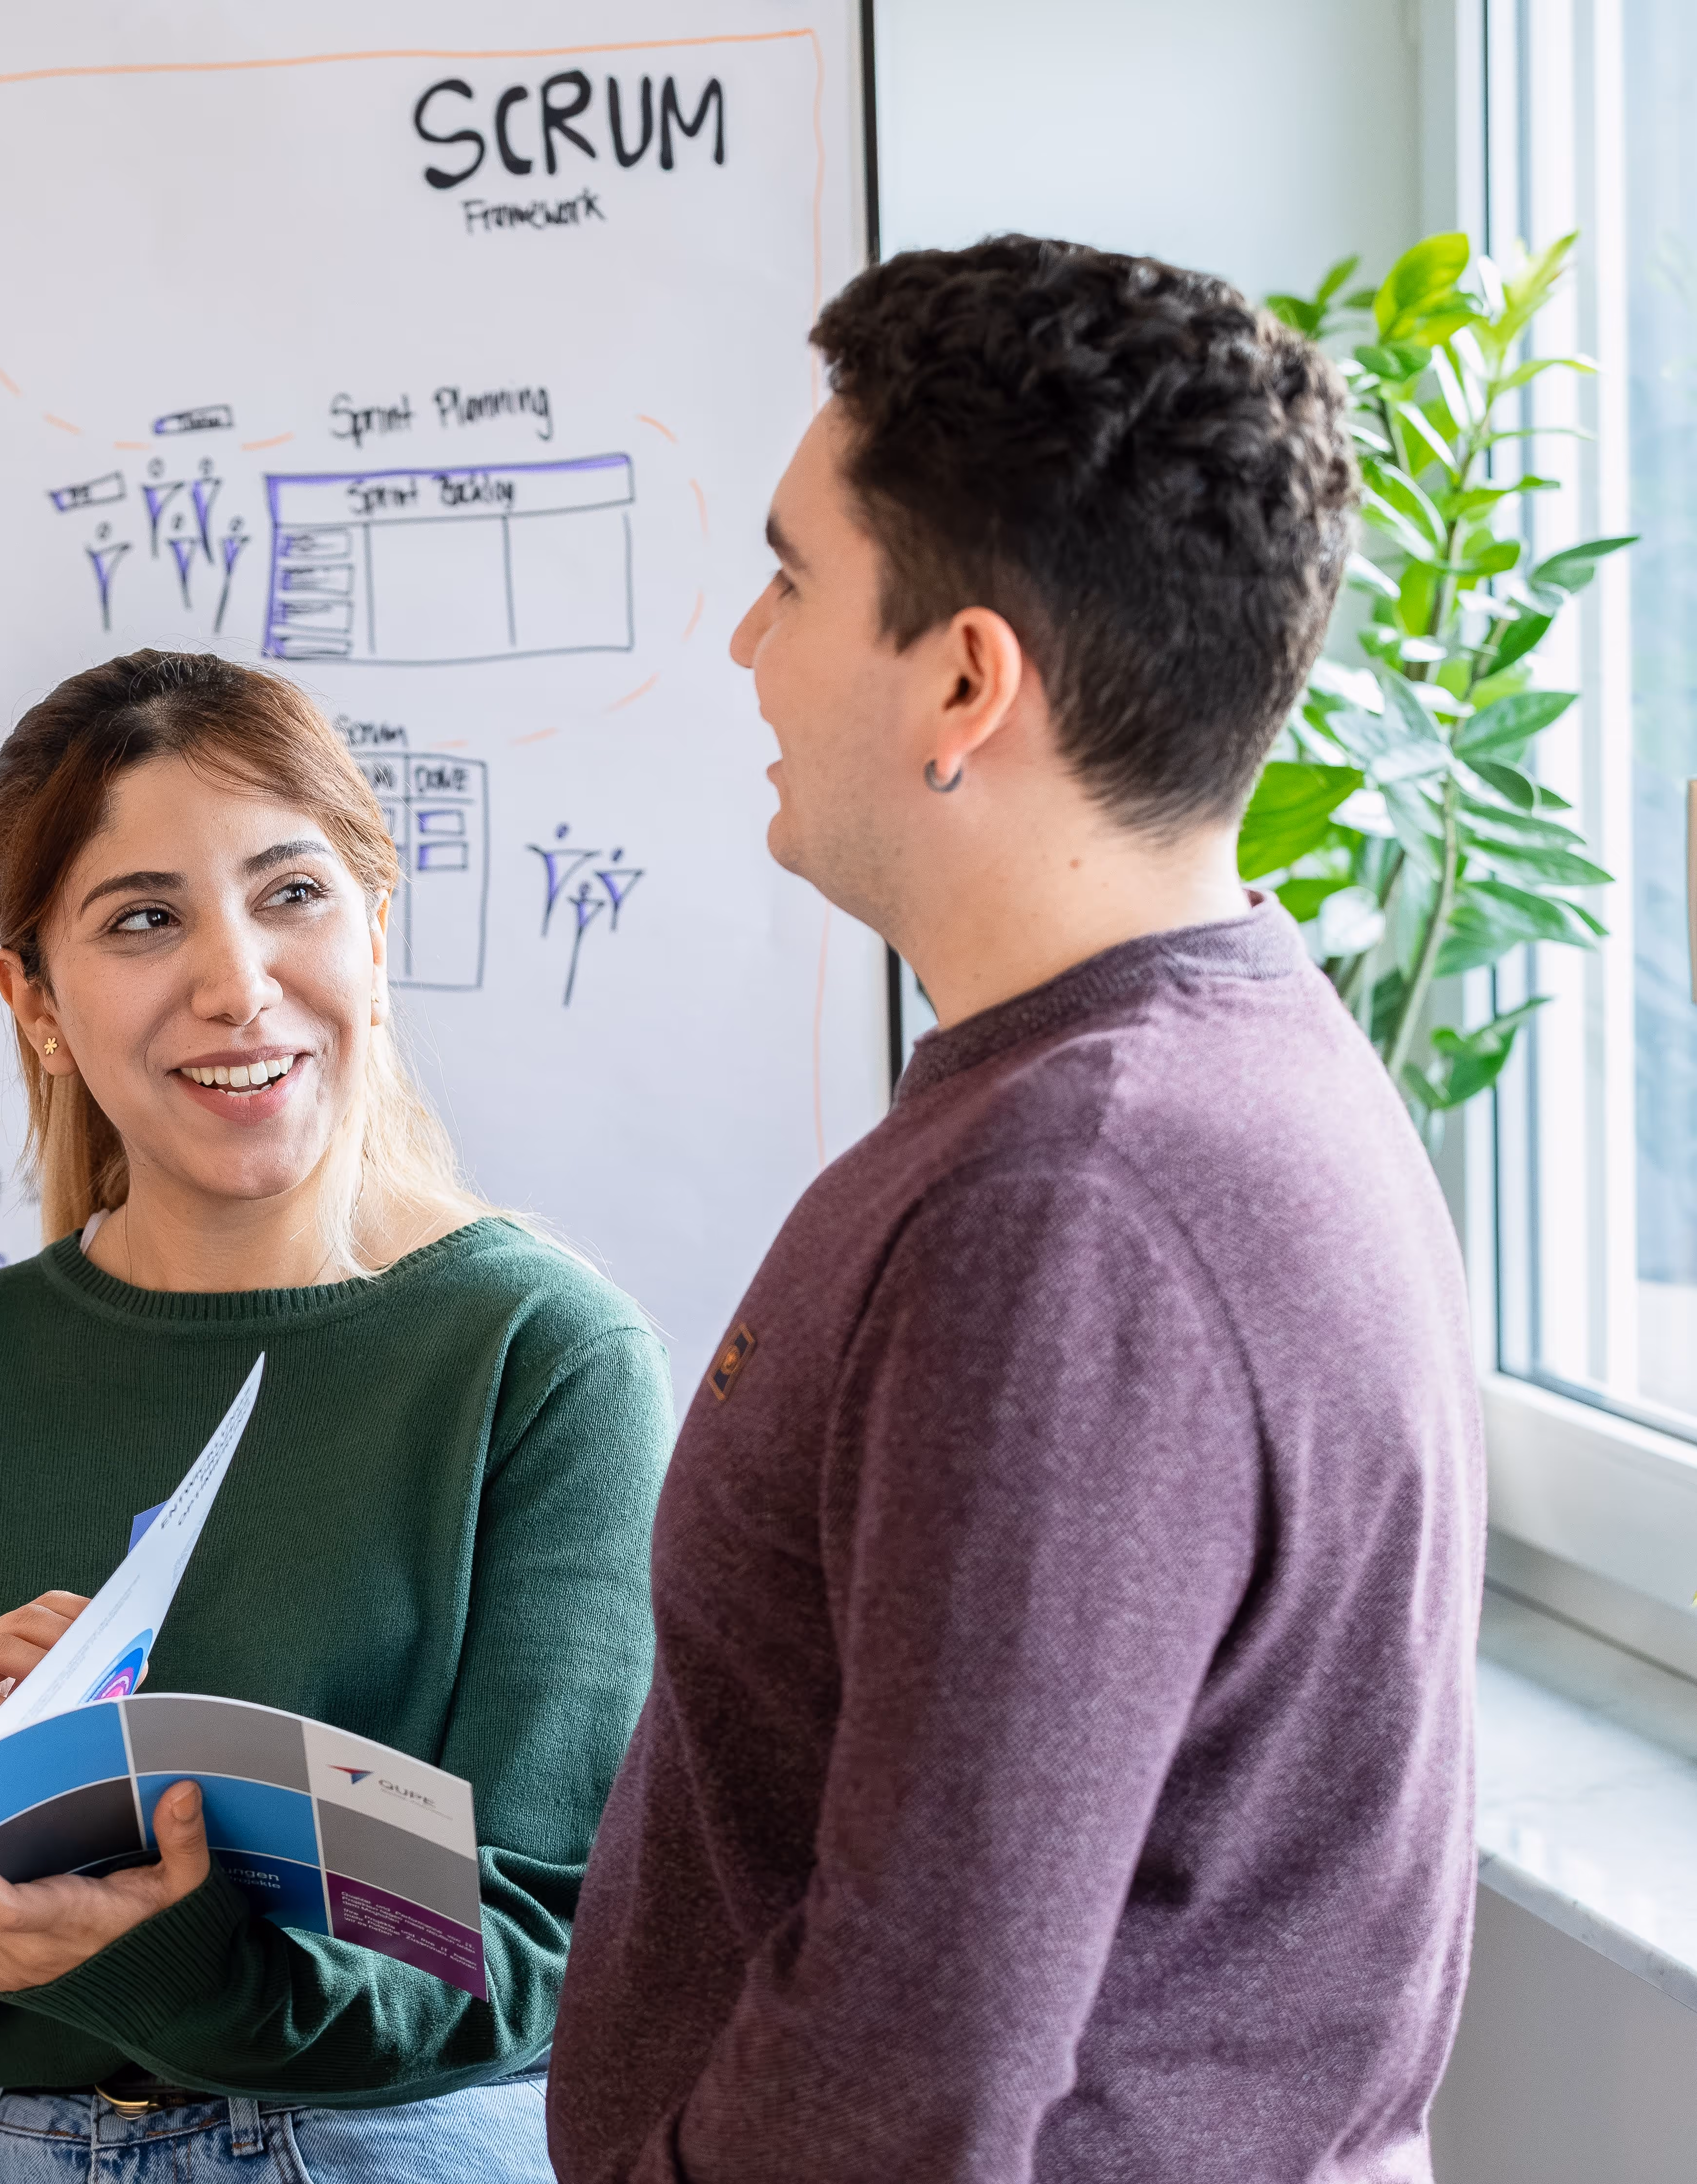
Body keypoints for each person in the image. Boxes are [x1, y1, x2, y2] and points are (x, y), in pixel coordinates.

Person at [545, 237, 1478, 2182]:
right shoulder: (1236, 1067)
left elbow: (911, 2057)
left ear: (968, 679)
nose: (746, 645)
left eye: (794, 576)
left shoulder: (1072, 1207)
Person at [0, 651, 675, 2182]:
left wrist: (148, 1940)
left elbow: (547, 1955)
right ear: (33, 1002)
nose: (237, 983)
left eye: (291, 893)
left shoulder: (538, 1354)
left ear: (378, 935)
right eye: (143, 918)